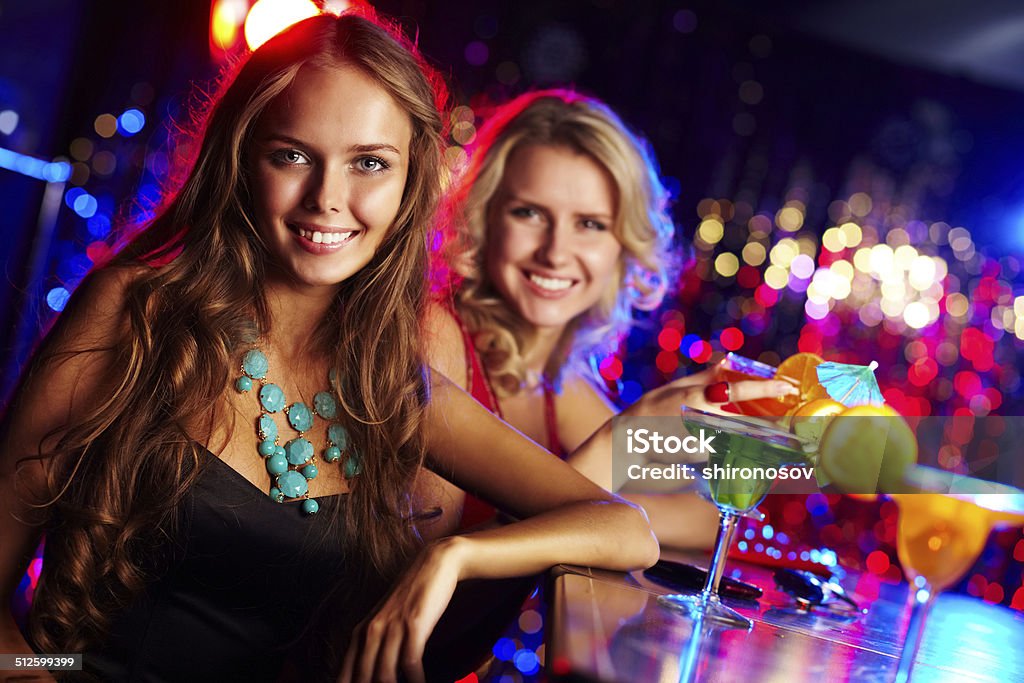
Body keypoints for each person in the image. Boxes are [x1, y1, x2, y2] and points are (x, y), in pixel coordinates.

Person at [0, 13, 658, 683]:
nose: (328, 199)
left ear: (410, 184)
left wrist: (454, 556)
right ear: (241, 156)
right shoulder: (134, 311)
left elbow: (625, 528)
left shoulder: (392, 381)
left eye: (369, 163)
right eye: (291, 154)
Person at [424, 90, 797, 548]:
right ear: (484, 219)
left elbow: (710, 516)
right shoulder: (434, 337)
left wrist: (618, 513)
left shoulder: (555, 379)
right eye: (529, 213)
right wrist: (622, 452)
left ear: (624, 246)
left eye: (590, 224)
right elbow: (439, 584)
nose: (555, 253)